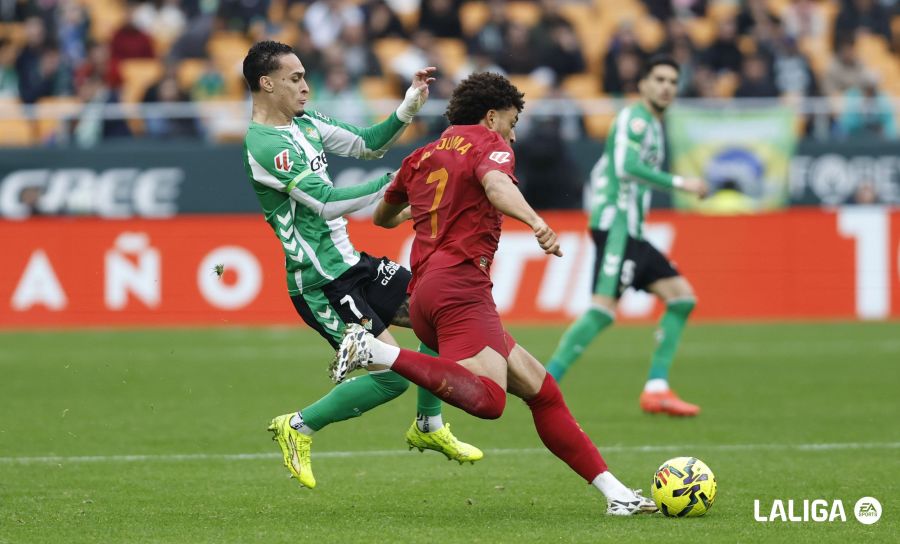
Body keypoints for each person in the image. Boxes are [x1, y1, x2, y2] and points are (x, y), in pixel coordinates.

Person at [339, 72, 657, 516]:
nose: (513, 131)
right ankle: (375, 351)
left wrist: (438, 206)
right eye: (512, 121)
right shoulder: (490, 144)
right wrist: (536, 222)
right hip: (461, 288)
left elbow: (383, 217)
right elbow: (496, 184)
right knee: (490, 401)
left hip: (426, 288)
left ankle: (616, 493)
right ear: (491, 116)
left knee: (542, 390)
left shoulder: (422, 155)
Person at [241, 40, 481, 490]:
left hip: (354, 264)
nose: (306, 87)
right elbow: (326, 203)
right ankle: (297, 426)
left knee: (439, 315)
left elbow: (367, 145)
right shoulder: (264, 143)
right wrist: (398, 183)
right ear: (266, 83)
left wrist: (408, 105)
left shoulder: (304, 122)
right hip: (320, 283)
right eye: (295, 79)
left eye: (305, 77)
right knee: (392, 378)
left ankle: (428, 426)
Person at [544, 55, 709, 417]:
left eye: (672, 81)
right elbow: (626, 167)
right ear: (644, 84)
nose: (666, 86)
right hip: (616, 225)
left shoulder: (652, 124)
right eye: (659, 79)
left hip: (632, 229)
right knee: (602, 311)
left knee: (682, 298)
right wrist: (683, 183)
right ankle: (543, 384)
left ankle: (656, 389)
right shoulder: (635, 119)